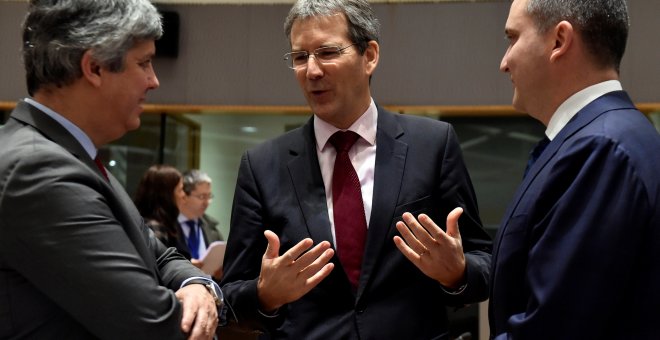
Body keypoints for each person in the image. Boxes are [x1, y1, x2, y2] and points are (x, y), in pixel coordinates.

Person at [220, 0, 492, 338]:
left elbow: (485, 263)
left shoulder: (432, 145)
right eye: (300, 57)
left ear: (370, 56)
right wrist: (265, 295)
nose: (313, 70)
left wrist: (458, 273)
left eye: (327, 52)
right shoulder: (262, 166)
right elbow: (230, 295)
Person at [0, 1, 225, 338]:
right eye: (144, 63)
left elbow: (161, 258)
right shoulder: (39, 170)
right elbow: (152, 324)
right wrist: (202, 303)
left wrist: (196, 285)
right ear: (95, 68)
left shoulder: (72, 154)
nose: (154, 81)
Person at [488, 0, 660, 338]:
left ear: (559, 41)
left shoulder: (599, 149)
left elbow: (554, 328)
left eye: (512, 38)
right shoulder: (617, 134)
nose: (504, 63)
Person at [135, 164, 191, 257]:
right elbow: (160, 268)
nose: (184, 195)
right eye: (181, 190)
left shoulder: (169, 224)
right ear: (166, 195)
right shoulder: (154, 229)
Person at [178, 169, 225, 279]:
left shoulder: (212, 228)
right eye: (202, 197)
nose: (207, 202)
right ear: (184, 196)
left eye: (209, 196)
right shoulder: (167, 227)